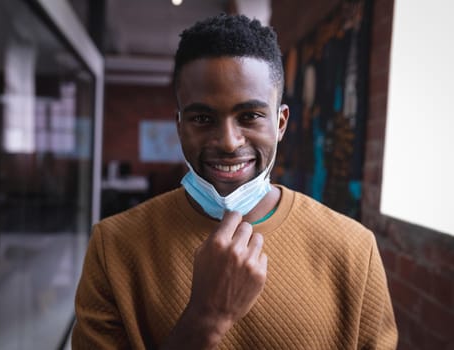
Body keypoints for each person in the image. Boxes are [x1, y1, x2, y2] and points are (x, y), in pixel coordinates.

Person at [72, 14, 397, 349]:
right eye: (202, 118)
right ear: (180, 125)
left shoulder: (354, 250)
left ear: (281, 123)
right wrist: (206, 318)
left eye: (250, 116)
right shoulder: (113, 248)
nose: (228, 142)